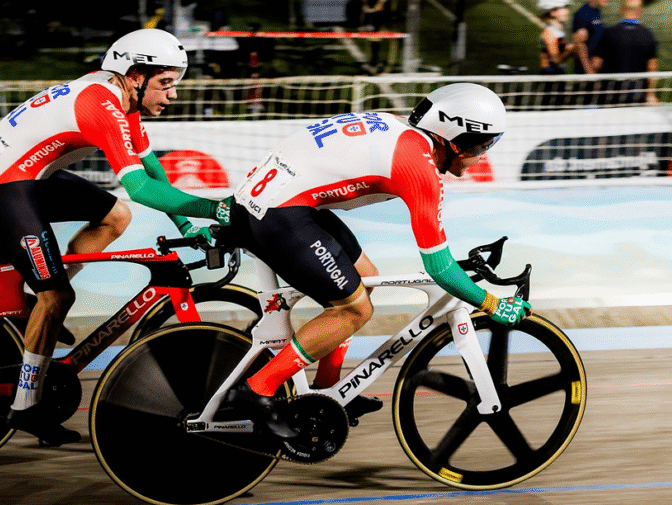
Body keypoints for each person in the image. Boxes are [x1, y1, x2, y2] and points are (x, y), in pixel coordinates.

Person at [0, 28, 231, 446]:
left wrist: (186, 224)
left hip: (32, 178)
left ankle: (45, 299)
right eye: (166, 83)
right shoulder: (101, 104)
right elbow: (141, 187)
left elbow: (150, 168)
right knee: (57, 300)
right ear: (135, 75)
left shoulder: (124, 97)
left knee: (114, 215)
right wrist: (216, 209)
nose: (173, 94)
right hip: (1, 188)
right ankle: (25, 405)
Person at [216, 83, 532, 436]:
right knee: (354, 309)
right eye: (484, 144)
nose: (485, 154)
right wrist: (492, 304)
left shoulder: (404, 131)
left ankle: (327, 390)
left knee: (365, 276)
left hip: (274, 203)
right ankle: (256, 390)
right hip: (280, 213)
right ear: (457, 140)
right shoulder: (419, 166)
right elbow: (439, 267)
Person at [590, 0, 659, 105]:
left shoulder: (608, 33)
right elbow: (652, 67)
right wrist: (650, 94)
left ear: (621, 9)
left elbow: (595, 64)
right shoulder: (648, 35)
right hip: (637, 95)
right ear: (640, 10)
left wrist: (597, 85)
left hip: (610, 94)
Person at [538, 0, 583, 107]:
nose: (566, 11)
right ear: (552, 12)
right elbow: (556, 59)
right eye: (563, 8)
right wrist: (573, 46)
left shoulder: (560, 30)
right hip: (549, 77)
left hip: (557, 75)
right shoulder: (549, 32)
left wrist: (576, 48)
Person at [572, 0, 612, 74]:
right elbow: (580, 46)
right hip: (587, 73)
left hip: (597, 70)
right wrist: (589, 72)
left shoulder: (597, 12)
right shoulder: (582, 14)